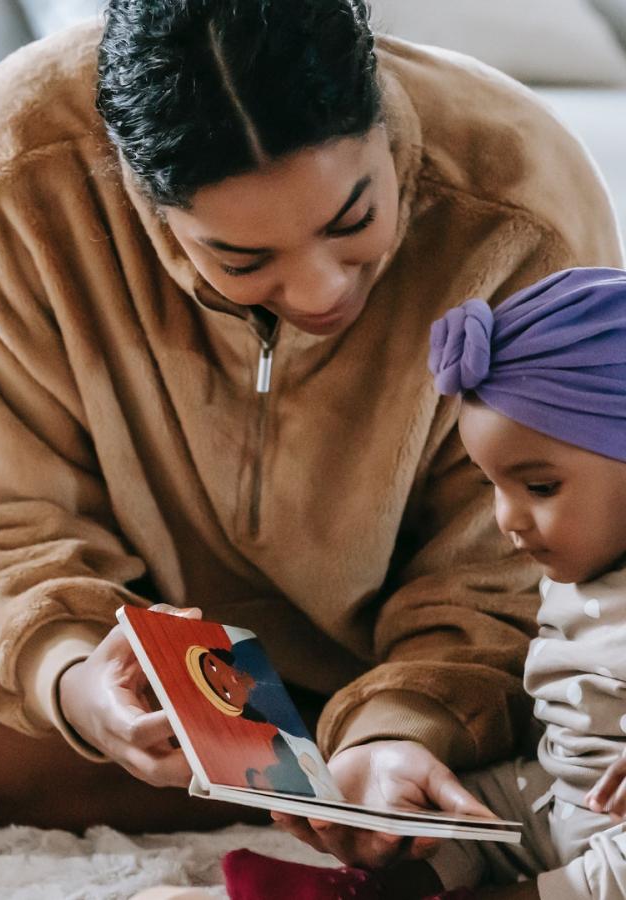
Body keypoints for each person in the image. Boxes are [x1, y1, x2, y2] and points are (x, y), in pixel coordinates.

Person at [0, 0, 624, 841]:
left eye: (353, 221)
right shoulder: (20, 171)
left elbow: (527, 566)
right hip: (160, 658)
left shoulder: (518, 193)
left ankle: (379, 769)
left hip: (436, 661)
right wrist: (78, 682)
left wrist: (405, 722)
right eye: (242, 259)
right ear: (143, 194)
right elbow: (4, 519)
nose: (321, 290)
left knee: (587, 725)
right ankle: (337, 785)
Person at [224, 268, 626, 899]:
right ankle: (380, 889)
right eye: (491, 484)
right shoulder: (578, 569)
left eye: (540, 487)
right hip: (563, 796)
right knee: (466, 810)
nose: (507, 519)